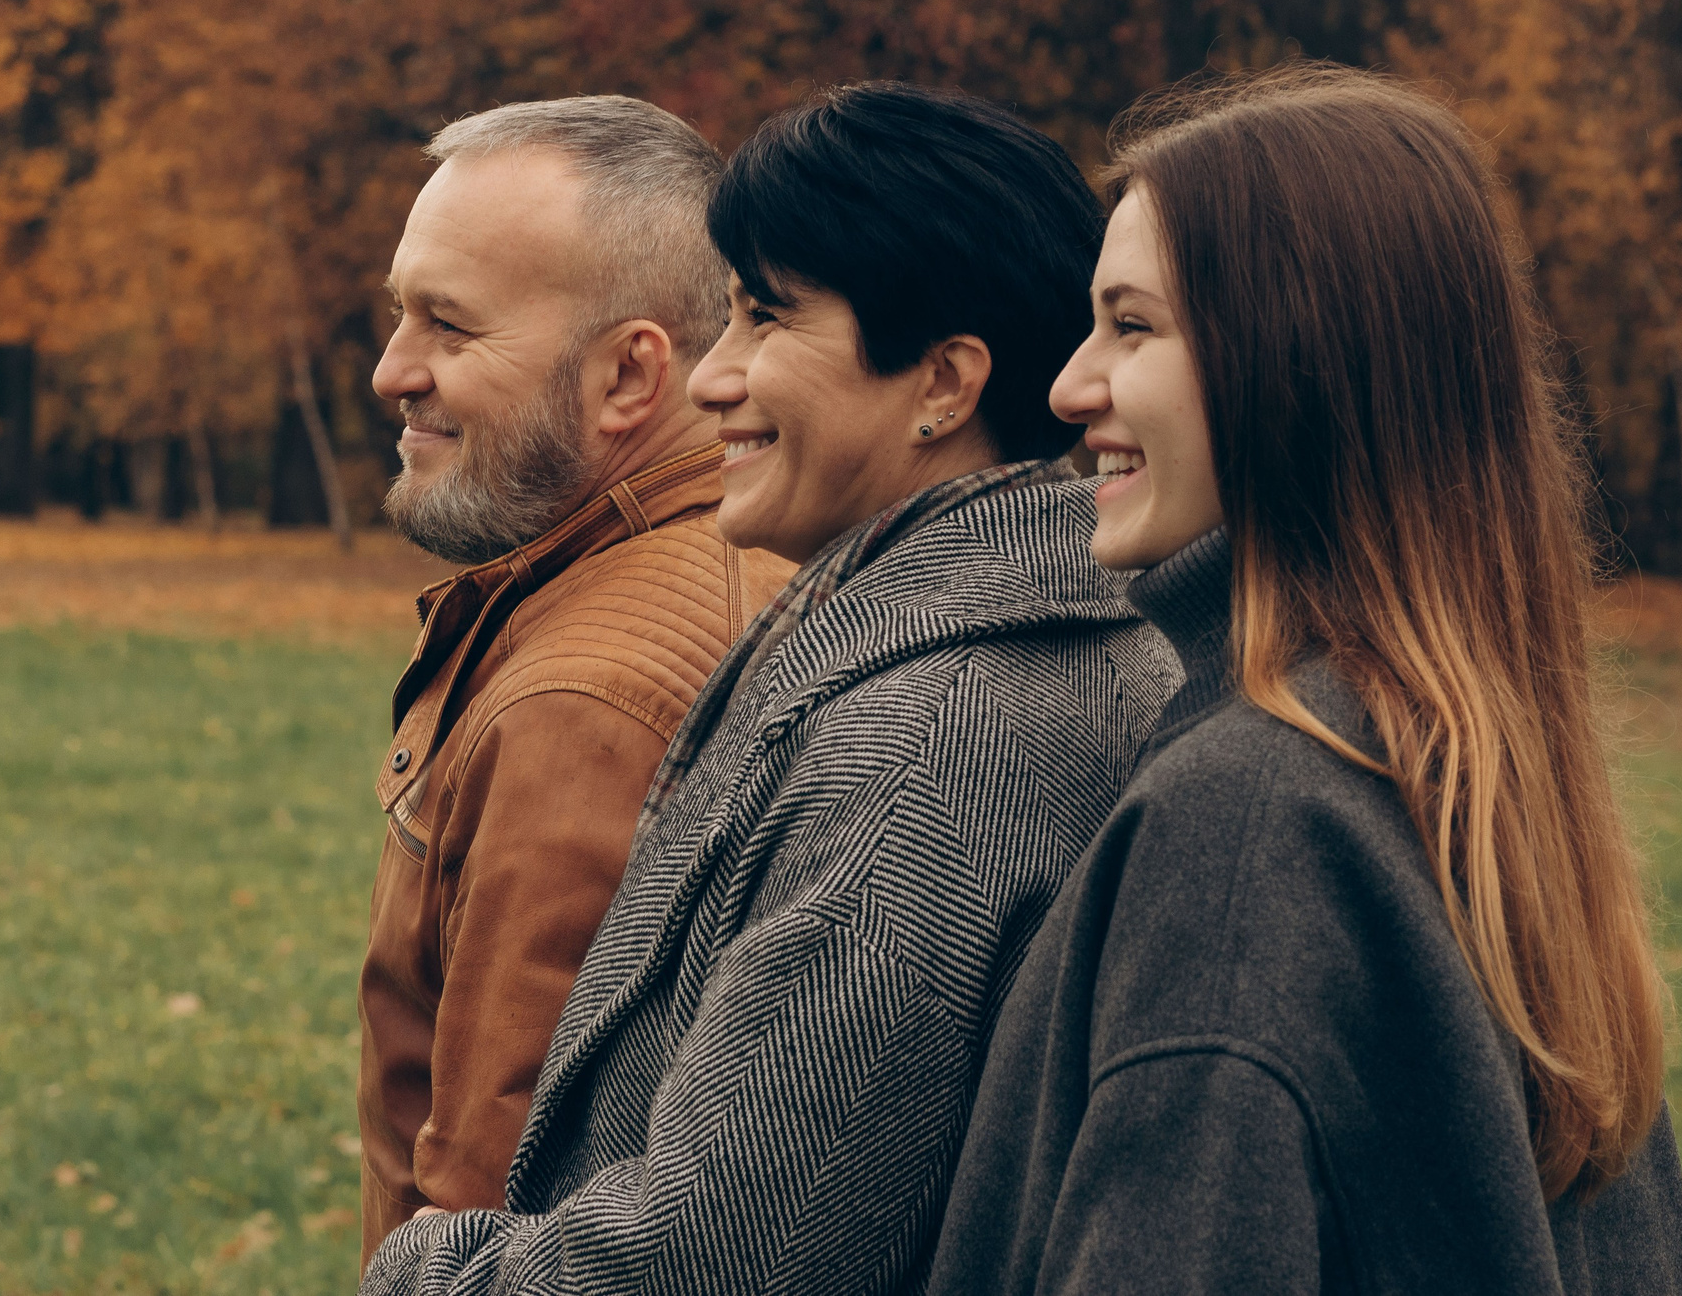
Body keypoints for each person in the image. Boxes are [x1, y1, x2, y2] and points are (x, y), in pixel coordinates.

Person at [363, 81, 1179, 1296]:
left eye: (764, 319)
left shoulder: (936, 738)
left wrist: (417, 1272)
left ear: (945, 384)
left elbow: (722, 1257)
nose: (712, 376)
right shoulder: (921, 644)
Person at [927, 66, 1682, 1295]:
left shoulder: (1244, 819)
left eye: (1131, 326)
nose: (1071, 387)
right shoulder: (1467, 767)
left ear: (1291, 359)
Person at [358, 96, 791, 1262]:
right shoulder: (758, 547)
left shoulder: (582, 705)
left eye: (449, 325)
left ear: (625, 375)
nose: (394, 369)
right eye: (398, 313)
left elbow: (499, 1211)